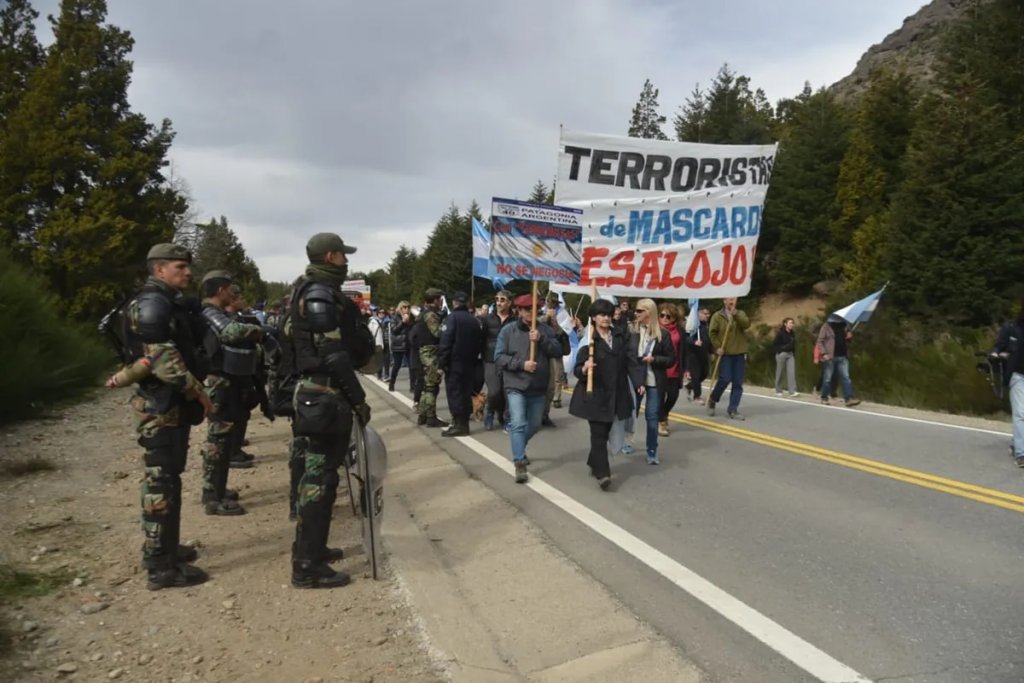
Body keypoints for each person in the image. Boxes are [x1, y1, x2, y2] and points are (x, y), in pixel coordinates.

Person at [124, 243, 214, 590]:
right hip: (160, 405)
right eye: (179, 267)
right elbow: (163, 360)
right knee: (161, 481)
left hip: (168, 405)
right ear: (159, 270)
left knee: (169, 478)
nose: (188, 273)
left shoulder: (165, 301)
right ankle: (160, 566)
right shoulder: (152, 304)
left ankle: (166, 548)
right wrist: (198, 391)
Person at [288, 232, 375, 589]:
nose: (347, 262)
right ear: (330, 256)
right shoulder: (319, 293)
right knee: (319, 481)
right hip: (323, 394)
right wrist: (358, 399)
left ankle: (313, 549)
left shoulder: (311, 289)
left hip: (321, 394)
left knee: (322, 478)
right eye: (342, 256)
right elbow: (332, 354)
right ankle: (307, 566)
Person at [197, 270, 265, 516]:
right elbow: (230, 332)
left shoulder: (214, 312)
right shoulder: (208, 313)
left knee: (224, 441)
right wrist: (261, 331)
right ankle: (212, 497)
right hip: (218, 382)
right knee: (218, 441)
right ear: (219, 291)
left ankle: (218, 488)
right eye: (229, 288)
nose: (232, 293)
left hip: (228, 381)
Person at [569, 298, 639, 490]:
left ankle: (594, 461)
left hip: (617, 393)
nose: (606, 318)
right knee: (598, 434)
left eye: (608, 315)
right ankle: (603, 474)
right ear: (593, 317)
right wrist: (585, 368)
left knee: (608, 431)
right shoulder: (588, 340)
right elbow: (576, 370)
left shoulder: (619, 336)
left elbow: (630, 361)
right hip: (596, 394)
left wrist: (638, 381)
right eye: (602, 315)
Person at [494, 293, 563, 483]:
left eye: (534, 310)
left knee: (534, 424)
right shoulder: (508, 331)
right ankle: (519, 462)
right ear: (518, 311)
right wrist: (521, 364)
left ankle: (519, 447)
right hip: (515, 384)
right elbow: (499, 357)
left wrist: (541, 339)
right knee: (517, 423)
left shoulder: (545, 330)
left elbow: (558, 351)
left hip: (538, 386)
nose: (530, 313)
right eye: (526, 310)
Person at [629, 299, 674, 464]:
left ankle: (652, 450)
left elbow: (671, 359)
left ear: (649, 312)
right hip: (636, 379)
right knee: (631, 413)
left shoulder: (663, 334)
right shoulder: (632, 331)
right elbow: (627, 356)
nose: (637, 313)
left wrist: (654, 359)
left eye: (640, 311)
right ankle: (627, 441)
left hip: (655, 380)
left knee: (652, 416)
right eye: (636, 310)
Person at [438, 291, 483, 437]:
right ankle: (463, 422)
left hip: (454, 362)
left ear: (454, 303)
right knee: (465, 392)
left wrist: (441, 363)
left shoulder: (451, 319)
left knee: (455, 393)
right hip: (470, 362)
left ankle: (459, 424)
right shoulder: (474, 320)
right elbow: (479, 343)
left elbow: (446, 341)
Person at [707, 297, 751, 420]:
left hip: (739, 353)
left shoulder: (740, 313)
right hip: (725, 353)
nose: (732, 301)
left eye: (734, 299)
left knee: (738, 383)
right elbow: (712, 333)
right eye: (729, 299)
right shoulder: (717, 316)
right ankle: (713, 398)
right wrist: (717, 346)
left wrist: (735, 314)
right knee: (725, 379)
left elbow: (746, 324)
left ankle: (733, 409)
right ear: (724, 301)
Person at [993, 300, 1024, 467]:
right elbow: (999, 345)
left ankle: (1016, 443)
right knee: (1020, 414)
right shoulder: (1012, 327)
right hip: (1018, 375)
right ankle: (1021, 454)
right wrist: (996, 354)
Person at [481, 290, 516, 431]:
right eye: (497, 299)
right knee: (494, 391)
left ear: (509, 302)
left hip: (509, 360)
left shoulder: (515, 320)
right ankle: (489, 411)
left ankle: (507, 418)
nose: (499, 302)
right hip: (490, 359)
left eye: (502, 299)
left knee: (508, 392)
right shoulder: (487, 319)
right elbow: (480, 339)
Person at [415, 289, 448, 427]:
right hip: (430, 352)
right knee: (432, 386)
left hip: (426, 351)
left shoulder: (425, 312)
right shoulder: (430, 315)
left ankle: (423, 415)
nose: (441, 301)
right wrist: (447, 326)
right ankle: (431, 417)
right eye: (439, 299)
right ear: (435, 300)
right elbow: (437, 332)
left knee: (428, 385)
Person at [816, 316, 862, 407]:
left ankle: (848, 399)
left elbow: (848, 340)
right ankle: (824, 397)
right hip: (830, 356)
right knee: (827, 379)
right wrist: (824, 353)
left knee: (846, 378)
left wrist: (849, 337)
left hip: (843, 356)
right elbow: (819, 341)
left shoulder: (845, 326)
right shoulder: (826, 326)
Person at [541, 292, 571, 427]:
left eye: (553, 302)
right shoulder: (541, 312)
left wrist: (554, 321)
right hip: (541, 350)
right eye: (549, 302)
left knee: (556, 378)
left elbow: (563, 333)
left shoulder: (563, 315)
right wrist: (546, 317)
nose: (550, 304)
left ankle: (555, 399)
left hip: (556, 350)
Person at [656, 303, 685, 437]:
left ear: (674, 318)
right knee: (660, 397)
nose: (665, 318)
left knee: (673, 396)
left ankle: (664, 413)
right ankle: (662, 422)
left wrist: (686, 368)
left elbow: (684, 350)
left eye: (669, 316)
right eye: (662, 315)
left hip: (674, 368)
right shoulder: (653, 328)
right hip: (659, 368)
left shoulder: (679, 330)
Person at [686, 306, 711, 401]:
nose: (707, 316)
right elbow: (686, 338)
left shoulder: (706, 325)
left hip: (703, 354)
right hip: (693, 354)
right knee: (696, 375)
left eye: (708, 314)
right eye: (705, 313)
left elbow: (708, 340)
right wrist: (694, 342)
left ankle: (689, 386)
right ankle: (697, 396)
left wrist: (712, 350)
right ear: (698, 313)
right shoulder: (692, 324)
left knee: (704, 374)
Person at [387, 301, 413, 392]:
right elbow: (394, 330)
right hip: (398, 345)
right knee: (396, 366)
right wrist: (402, 322)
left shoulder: (411, 317)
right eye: (404, 307)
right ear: (400, 308)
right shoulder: (394, 317)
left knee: (412, 366)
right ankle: (392, 383)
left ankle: (412, 387)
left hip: (409, 345)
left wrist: (409, 321)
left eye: (408, 307)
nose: (406, 309)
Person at [773, 317, 799, 397]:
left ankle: (792, 391)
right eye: (790, 323)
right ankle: (778, 390)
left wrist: (793, 353)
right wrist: (780, 352)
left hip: (790, 354)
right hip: (782, 354)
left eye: (792, 323)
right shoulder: (780, 333)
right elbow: (775, 344)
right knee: (780, 372)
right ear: (785, 324)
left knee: (791, 372)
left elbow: (793, 344)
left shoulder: (792, 333)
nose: (792, 325)